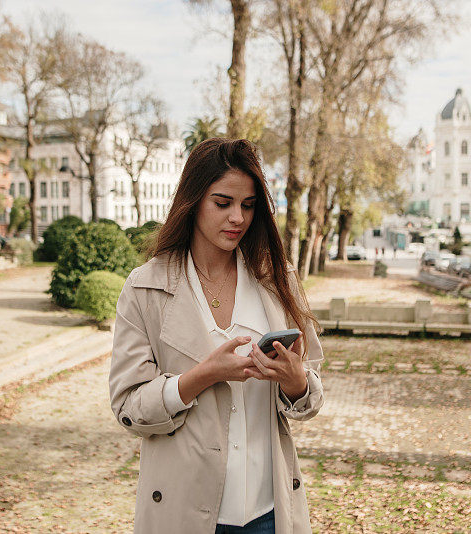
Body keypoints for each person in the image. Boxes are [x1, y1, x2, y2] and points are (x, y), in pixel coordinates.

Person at [109, 138, 325, 534]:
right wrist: (202, 375)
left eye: (247, 205)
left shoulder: (279, 279)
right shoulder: (145, 288)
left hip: (270, 511)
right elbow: (128, 406)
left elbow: (309, 395)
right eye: (222, 203)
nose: (237, 218)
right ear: (193, 201)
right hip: (184, 512)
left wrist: (295, 384)